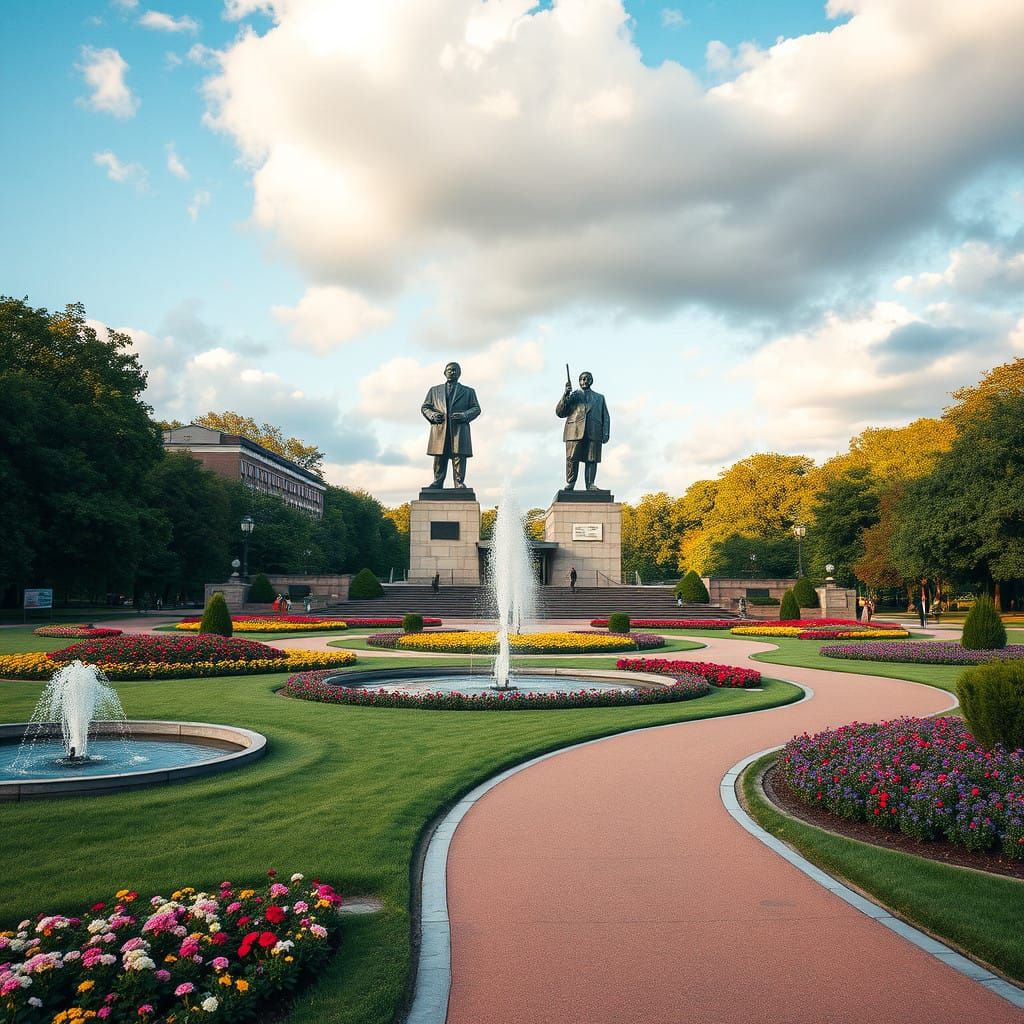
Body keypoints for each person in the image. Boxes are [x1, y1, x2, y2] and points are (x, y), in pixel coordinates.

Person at [421, 362, 481, 488]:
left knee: (459, 456)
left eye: (455, 370)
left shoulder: (468, 391)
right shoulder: (434, 391)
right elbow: (425, 407)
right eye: (449, 370)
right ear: (444, 372)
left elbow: (476, 409)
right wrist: (432, 415)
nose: (452, 372)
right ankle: (437, 482)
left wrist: (464, 415)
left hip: (459, 429)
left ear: (459, 373)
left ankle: (459, 482)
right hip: (440, 429)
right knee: (439, 456)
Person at [556, 371, 611, 491]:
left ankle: (590, 484)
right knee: (572, 458)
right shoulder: (573, 396)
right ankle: (571, 483)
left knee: (592, 459)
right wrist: (566, 394)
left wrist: (606, 432)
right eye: (582, 379)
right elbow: (560, 413)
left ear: (591, 381)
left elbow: (605, 417)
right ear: (579, 381)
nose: (584, 381)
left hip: (593, 432)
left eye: (587, 379)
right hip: (574, 432)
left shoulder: (599, 398)